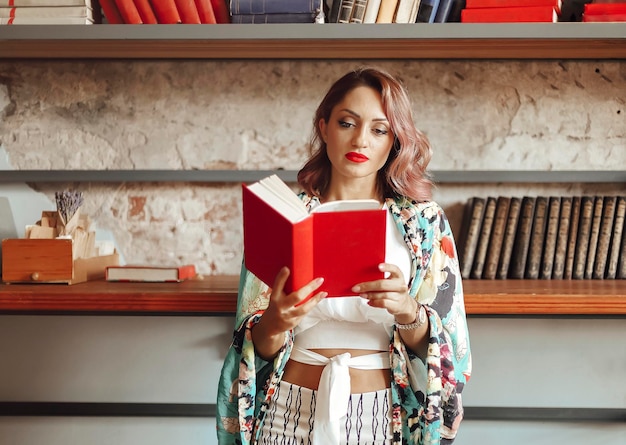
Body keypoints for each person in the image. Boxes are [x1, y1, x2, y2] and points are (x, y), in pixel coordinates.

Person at [217, 67, 471, 445]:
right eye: (347, 123)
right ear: (324, 127)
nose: (361, 140)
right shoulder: (286, 214)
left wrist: (407, 310)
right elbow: (253, 346)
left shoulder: (423, 223)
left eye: (379, 129)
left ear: (394, 140)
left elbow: (450, 351)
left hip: (384, 415)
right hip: (287, 411)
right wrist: (275, 319)